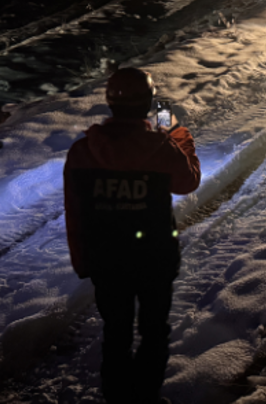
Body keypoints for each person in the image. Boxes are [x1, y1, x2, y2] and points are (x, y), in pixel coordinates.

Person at [63, 67, 201, 404]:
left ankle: (117, 398)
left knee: (116, 333)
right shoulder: (162, 147)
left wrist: (82, 260)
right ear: (149, 104)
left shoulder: (82, 151)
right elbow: (188, 181)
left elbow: (74, 212)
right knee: (154, 331)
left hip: (106, 261)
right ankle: (146, 397)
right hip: (155, 259)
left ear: (110, 103)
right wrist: (176, 134)